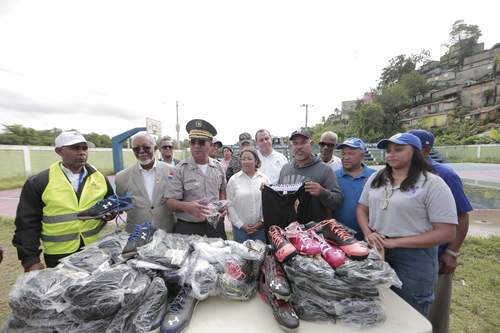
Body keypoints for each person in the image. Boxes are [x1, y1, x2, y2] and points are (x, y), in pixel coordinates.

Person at [356, 132, 457, 316]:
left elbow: (446, 233)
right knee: (379, 306)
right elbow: (362, 208)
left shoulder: (432, 183)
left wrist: (395, 242)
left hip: (414, 259)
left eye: (399, 149)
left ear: (416, 152)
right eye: (388, 150)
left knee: (410, 313)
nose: (391, 154)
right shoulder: (378, 177)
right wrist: (368, 233)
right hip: (378, 251)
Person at [12, 131, 115, 271]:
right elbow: (26, 224)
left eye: (84, 148)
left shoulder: (100, 178)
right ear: (59, 151)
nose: (81, 152)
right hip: (59, 255)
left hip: (95, 250)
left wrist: (110, 213)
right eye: (75, 148)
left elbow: (111, 204)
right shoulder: (40, 181)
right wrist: (30, 260)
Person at [408, 129, 473, 333]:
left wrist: (452, 253)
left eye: (411, 148)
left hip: (437, 257)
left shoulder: (445, 175)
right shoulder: (405, 173)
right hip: (409, 257)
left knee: (434, 312)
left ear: (425, 150)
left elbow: (462, 216)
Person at [165, 119, 227, 239]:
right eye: (193, 142)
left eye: (201, 142)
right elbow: (169, 202)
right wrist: (187, 207)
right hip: (188, 227)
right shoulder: (179, 170)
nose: (196, 146)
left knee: (219, 256)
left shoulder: (219, 167)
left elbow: (222, 191)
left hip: (214, 225)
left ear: (210, 145)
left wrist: (222, 206)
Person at [115, 132, 176, 233]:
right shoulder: (121, 177)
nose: (141, 151)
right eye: (136, 149)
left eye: (146, 147)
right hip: (136, 235)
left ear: (155, 148)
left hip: (166, 232)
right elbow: (122, 205)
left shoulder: (172, 171)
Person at [278, 128, 343, 220]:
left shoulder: (325, 170)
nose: (299, 147)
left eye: (303, 142)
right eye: (295, 143)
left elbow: (337, 202)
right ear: (291, 146)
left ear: (311, 144)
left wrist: (322, 192)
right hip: (288, 229)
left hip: (313, 231)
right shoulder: (285, 169)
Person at [333, 138, 375, 240]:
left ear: (362, 155)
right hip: (341, 237)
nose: (345, 157)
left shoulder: (374, 176)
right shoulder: (334, 176)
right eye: (343, 154)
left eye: (351, 154)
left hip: (370, 235)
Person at [227, 148, 269, 243]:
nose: (246, 162)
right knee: (241, 256)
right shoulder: (234, 180)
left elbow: (269, 204)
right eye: (243, 159)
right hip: (240, 230)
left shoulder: (264, 179)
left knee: (260, 256)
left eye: (250, 158)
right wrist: (241, 225)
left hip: (260, 229)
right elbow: (229, 205)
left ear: (256, 161)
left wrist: (261, 222)